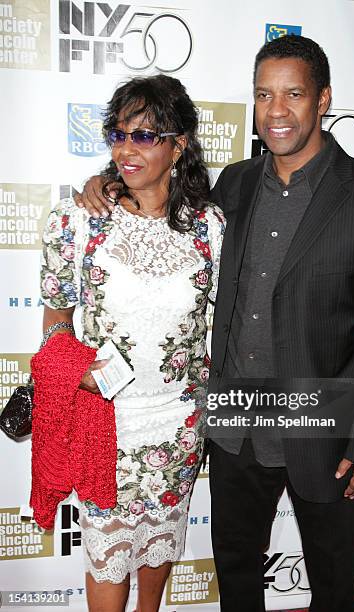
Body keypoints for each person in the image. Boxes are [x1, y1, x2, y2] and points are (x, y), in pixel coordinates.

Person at [76, 35, 354, 612]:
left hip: (327, 429)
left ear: (323, 99)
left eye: (292, 94)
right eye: (263, 95)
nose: (276, 111)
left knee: (334, 589)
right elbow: (162, 204)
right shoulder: (232, 185)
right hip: (235, 425)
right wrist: (108, 185)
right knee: (236, 582)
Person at [39, 75, 224, 612]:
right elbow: (54, 325)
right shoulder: (76, 223)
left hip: (181, 424)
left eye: (145, 135)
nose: (126, 148)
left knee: (159, 545)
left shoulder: (209, 227)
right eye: (118, 134)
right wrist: (79, 369)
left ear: (179, 143)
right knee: (108, 556)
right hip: (105, 423)